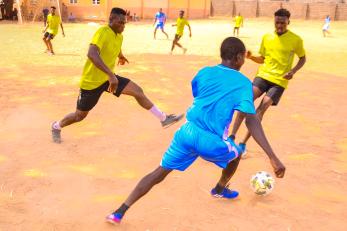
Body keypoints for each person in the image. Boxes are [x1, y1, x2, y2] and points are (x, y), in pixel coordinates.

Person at [106, 37, 286, 224]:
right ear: (239, 57)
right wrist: (272, 157)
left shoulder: (204, 72)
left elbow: (197, 93)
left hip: (186, 132)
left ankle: (119, 211)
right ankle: (219, 189)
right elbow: (251, 121)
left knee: (158, 173)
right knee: (237, 153)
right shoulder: (243, 83)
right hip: (212, 141)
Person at [51, 8, 184, 144]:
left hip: (108, 79)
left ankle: (163, 119)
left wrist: (120, 56)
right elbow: (92, 54)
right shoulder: (103, 32)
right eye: (121, 23)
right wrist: (110, 74)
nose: (123, 26)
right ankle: (56, 126)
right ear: (111, 20)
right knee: (79, 116)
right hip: (91, 83)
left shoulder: (119, 36)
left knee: (137, 91)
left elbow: (115, 46)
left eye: (125, 23)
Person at [230, 8, 306, 154]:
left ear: (288, 22)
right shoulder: (267, 37)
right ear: (274, 21)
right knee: (246, 102)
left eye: (283, 23)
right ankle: (231, 137)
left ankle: (242, 144)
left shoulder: (296, 40)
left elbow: (303, 58)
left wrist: (293, 71)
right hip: (263, 75)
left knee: (261, 109)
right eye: (277, 22)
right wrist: (252, 57)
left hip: (279, 81)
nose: (279, 25)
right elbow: (263, 59)